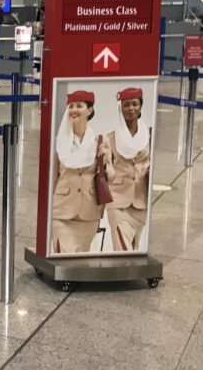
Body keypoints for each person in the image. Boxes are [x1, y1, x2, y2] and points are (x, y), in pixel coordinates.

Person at [51, 90, 110, 254]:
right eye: (71, 106)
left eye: (79, 106)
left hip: (88, 211)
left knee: (80, 256)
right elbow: (52, 177)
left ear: (89, 110)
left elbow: (109, 177)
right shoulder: (59, 142)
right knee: (64, 255)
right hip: (62, 211)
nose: (74, 110)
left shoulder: (100, 141)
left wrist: (105, 162)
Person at [106, 88, 151, 251]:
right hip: (118, 201)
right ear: (120, 108)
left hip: (141, 201)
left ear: (140, 106)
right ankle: (122, 276)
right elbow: (106, 171)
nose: (131, 108)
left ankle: (125, 276)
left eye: (134, 104)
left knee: (133, 247)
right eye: (126, 105)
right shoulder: (110, 138)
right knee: (123, 248)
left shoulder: (148, 136)